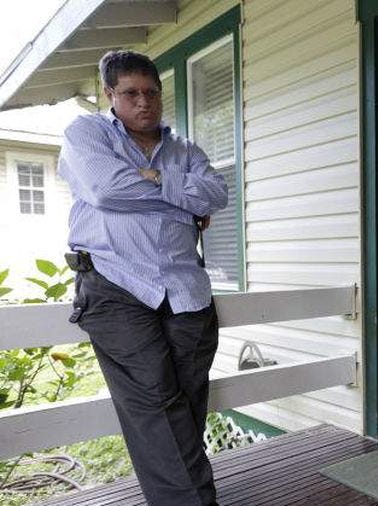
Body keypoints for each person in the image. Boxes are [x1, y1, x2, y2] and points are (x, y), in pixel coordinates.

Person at [59, 50, 228, 506]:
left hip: (187, 291)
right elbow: (107, 189)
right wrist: (179, 196)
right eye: (130, 93)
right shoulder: (86, 134)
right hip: (115, 285)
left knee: (186, 402)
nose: (143, 102)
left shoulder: (186, 150)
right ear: (110, 94)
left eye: (151, 92)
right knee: (156, 401)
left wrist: (155, 179)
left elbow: (216, 194)